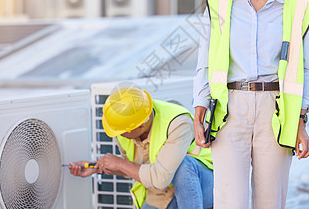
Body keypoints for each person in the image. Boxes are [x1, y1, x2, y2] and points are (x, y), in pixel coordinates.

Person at [192, 0, 309, 209]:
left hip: (275, 112)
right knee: (229, 202)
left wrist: (301, 121)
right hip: (229, 111)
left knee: (270, 202)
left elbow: (307, 70)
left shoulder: (296, 10)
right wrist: (199, 110)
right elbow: (204, 65)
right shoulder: (218, 7)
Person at [69, 86, 214, 209]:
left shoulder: (178, 123)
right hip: (162, 196)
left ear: (140, 126)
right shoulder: (126, 125)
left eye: (122, 131)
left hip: (202, 186)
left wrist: (120, 163)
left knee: (183, 166)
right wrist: (95, 167)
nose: (118, 135)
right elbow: (134, 168)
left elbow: (159, 179)